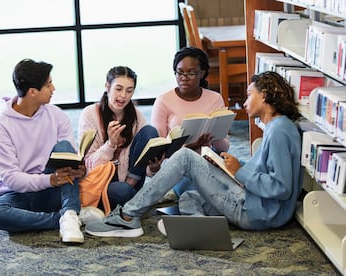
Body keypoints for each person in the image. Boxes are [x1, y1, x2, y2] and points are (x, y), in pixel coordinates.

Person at [85, 71, 302, 237]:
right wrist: (228, 166)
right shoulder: (278, 127)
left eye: (248, 95)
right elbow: (266, 170)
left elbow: (281, 188)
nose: (244, 103)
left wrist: (240, 171)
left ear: (264, 96)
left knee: (185, 158)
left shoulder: (280, 130)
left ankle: (127, 215)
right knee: (190, 197)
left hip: (256, 211)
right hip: (255, 204)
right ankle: (200, 231)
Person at [0, 59, 103, 244]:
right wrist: (50, 179)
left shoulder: (56, 115)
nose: (53, 88)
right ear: (33, 92)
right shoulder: (0, 126)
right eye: (48, 85)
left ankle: (69, 214)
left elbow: (70, 158)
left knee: (64, 148)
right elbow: (12, 179)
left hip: (51, 190)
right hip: (16, 194)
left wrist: (78, 169)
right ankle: (65, 219)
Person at [150, 46, 230, 202]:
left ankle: (185, 191)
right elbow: (158, 147)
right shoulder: (163, 101)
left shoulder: (215, 98)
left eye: (191, 73)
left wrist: (214, 139)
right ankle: (185, 190)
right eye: (179, 72)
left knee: (235, 166)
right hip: (176, 164)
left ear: (202, 73)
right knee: (202, 183)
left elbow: (224, 147)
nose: (184, 77)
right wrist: (186, 149)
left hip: (207, 158)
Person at [78, 66, 159, 210]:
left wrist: (152, 168)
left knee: (150, 131)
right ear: (107, 87)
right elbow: (88, 165)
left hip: (133, 180)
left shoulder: (137, 116)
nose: (123, 96)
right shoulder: (90, 114)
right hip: (102, 182)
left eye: (129, 91)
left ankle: (131, 193)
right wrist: (110, 144)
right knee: (122, 191)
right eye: (118, 89)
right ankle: (134, 200)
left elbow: (141, 162)